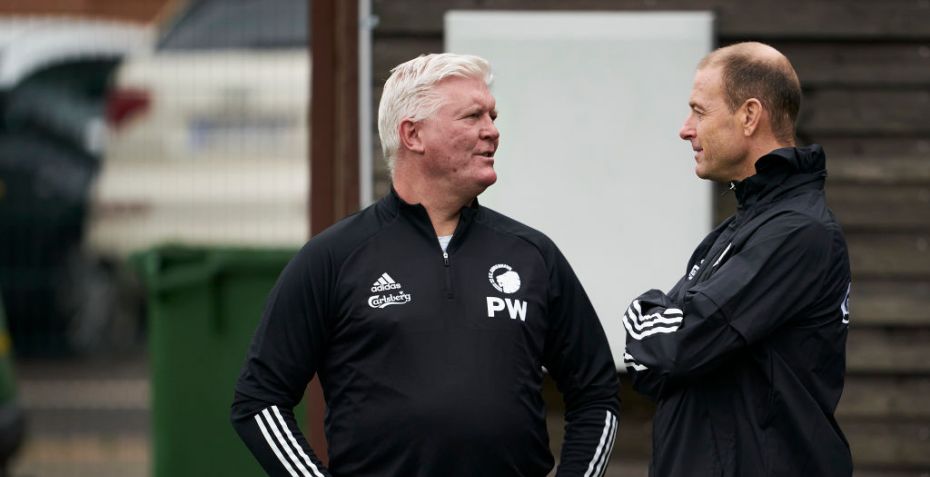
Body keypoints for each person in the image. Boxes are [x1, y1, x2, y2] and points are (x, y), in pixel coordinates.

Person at [231, 53, 620, 477]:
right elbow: (259, 399)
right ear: (413, 134)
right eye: (472, 116)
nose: (492, 131)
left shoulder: (532, 255)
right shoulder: (334, 258)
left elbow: (596, 394)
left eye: (492, 116)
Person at [621, 42, 852, 476]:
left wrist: (643, 311)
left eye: (699, 111)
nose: (686, 130)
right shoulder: (737, 232)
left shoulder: (798, 232)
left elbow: (674, 345)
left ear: (749, 116)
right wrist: (664, 331)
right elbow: (651, 370)